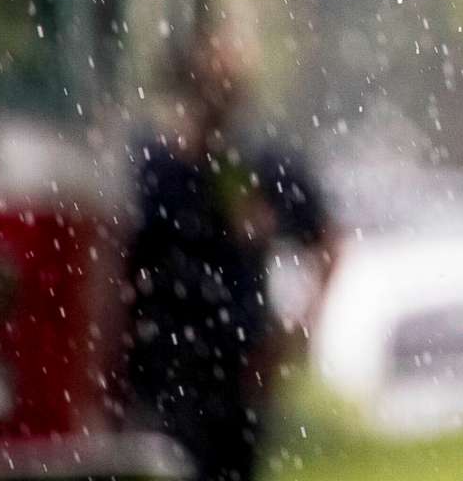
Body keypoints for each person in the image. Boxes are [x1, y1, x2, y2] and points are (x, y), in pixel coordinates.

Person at [123, 30, 338, 481]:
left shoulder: (259, 165)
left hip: (237, 368)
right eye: (209, 84)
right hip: (164, 367)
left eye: (228, 87)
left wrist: (298, 330)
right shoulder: (153, 168)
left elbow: (328, 242)